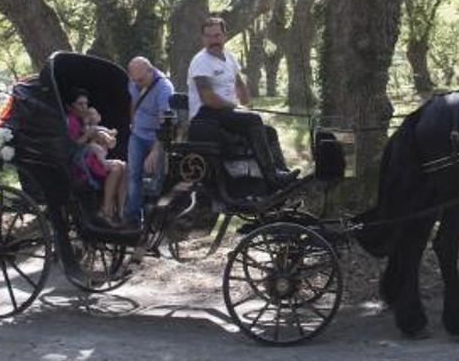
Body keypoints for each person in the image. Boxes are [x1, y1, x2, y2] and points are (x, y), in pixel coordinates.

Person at [185, 16, 291, 185]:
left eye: (217, 35)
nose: (214, 40)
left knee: (269, 132)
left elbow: (240, 85)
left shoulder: (229, 57)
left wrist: (248, 105)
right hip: (205, 118)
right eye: (209, 36)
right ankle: (272, 177)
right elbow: (207, 98)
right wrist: (236, 106)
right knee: (253, 120)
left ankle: (282, 174)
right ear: (203, 38)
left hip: (225, 114)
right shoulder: (200, 61)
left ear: (224, 36)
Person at [65, 89, 129, 226]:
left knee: (125, 167)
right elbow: (71, 146)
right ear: (70, 107)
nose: (84, 107)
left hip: (93, 159)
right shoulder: (70, 121)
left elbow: (99, 134)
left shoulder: (84, 120)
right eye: (80, 104)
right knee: (117, 168)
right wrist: (88, 135)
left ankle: (121, 210)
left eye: (85, 104)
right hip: (79, 163)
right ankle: (106, 210)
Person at [124, 56, 175, 224]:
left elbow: (165, 124)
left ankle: (157, 221)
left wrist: (155, 151)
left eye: (141, 79)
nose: (138, 83)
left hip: (157, 137)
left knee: (158, 179)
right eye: (135, 79)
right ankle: (133, 219)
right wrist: (132, 124)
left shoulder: (164, 89)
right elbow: (133, 102)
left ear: (151, 70)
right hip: (138, 134)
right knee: (133, 175)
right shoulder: (134, 82)